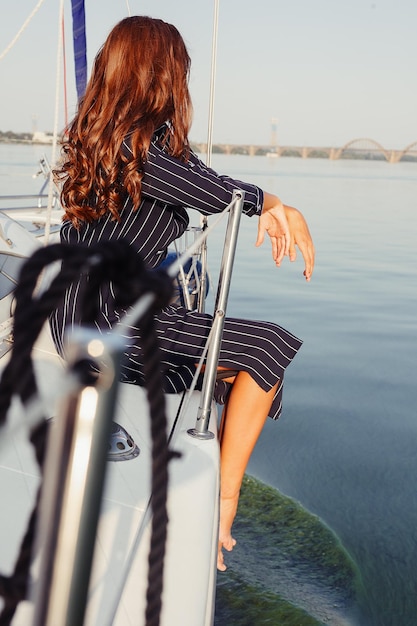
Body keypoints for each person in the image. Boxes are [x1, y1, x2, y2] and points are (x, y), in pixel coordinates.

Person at [50, 15, 315, 572]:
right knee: (269, 348)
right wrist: (274, 202)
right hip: (109, 321)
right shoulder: (136, 150)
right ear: (163, 77)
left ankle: (205, 466)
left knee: (226, 375)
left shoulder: (113, 141)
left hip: (83, 316)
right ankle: (223, 501)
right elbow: (217, 191)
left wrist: (266, 203)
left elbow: (200, 177)